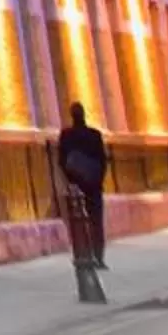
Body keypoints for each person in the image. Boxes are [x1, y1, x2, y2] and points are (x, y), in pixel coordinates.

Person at [57, 100, 110, 268]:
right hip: (93, 185)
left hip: (76, 186)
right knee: (96, 222)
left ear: (72, 116)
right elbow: (103, 161)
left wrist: (70, 180)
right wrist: (97, 179)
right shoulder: (95, 135)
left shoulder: (66, 135)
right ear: (83, 115)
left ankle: (84, 256)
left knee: (79, 224)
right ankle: (99, 257)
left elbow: (62, 161)